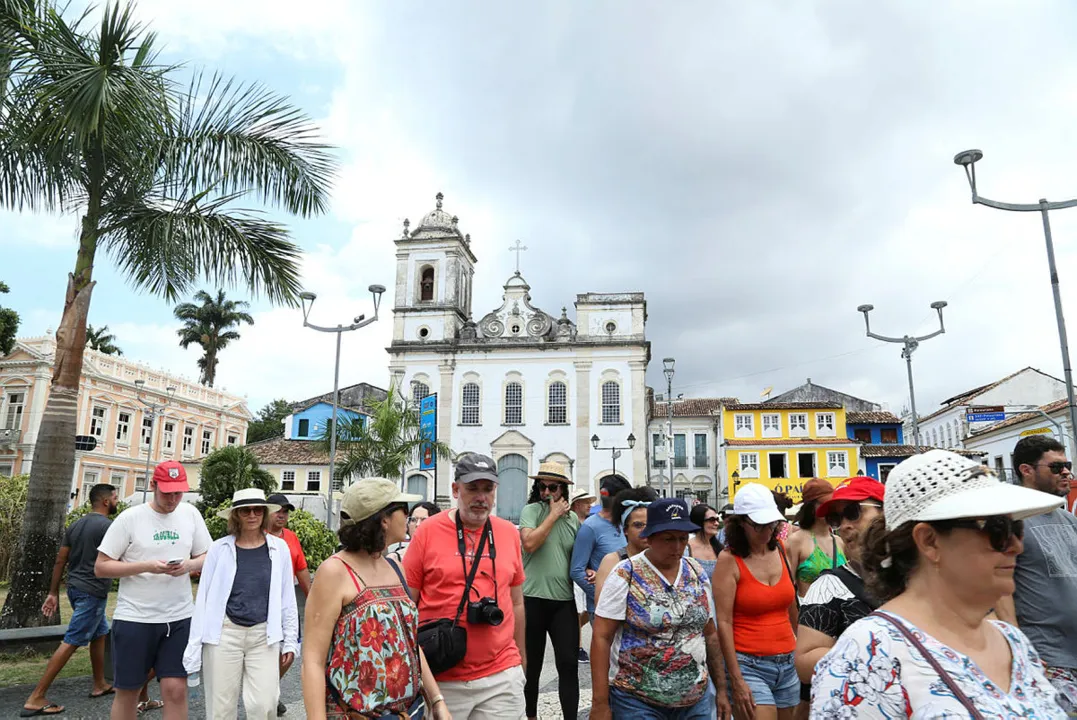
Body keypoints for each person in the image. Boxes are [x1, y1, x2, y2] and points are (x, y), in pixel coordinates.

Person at [811, 449, 1066, 718]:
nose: (1016, 545)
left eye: (1016, 528)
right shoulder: (869, 653)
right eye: (997, 529)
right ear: (929, 541)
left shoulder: (1012, 641)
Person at [301, 478, 448, 720]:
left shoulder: (394, 566)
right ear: (384, 519)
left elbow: (409, 642)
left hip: (407, 713)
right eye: (404, 510)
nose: (409, 517)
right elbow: (313, 660)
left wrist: (437, 699)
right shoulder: (335, 571)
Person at [403, 453, 527, 719]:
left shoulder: (508, 533)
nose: (481, 497)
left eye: (488, 489)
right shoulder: (427, 532)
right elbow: (405, 605)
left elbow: (516, 601)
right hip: (443, 677)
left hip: (501, 676)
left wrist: (521, 661)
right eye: (472, 488)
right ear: (455, 489)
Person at [591, 498, 731, 720]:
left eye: (682, 539)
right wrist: (599, 703)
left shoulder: (695, 572)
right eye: (668, 539)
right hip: (637, 700)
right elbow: (601, 637)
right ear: (650, 538)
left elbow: (710, 635)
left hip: (695, 699)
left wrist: (722, 690)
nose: (677, 547)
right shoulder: (626, 573)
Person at [95, 461, 212, 720]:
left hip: (179, 617)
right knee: (128, 691)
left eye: (178, 493)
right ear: (153, 486)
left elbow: (208, 555)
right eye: (166, 492)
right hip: (137, 618)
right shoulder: (130, 518)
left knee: (176, 689)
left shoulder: (190, 514)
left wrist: (189, 565)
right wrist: (147, 566)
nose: (172, 499)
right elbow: (101, 567)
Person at [183, 489, 298, 719]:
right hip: (225, 633)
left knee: (264, 705)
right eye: (246, 510)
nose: (252, 515)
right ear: (236, 515)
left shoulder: (279, 549)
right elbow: (204, 598)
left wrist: (290, 640)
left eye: (257, 510)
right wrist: (194, 648)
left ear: (265, 514)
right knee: (221, 707)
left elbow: (287, 597)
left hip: (264, 634)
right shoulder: (219, 549)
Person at [22, 484, 118, 717]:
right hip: (92, 591)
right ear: (106, 501)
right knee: (72, 641)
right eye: (115, 497)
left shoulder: (75, 525)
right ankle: (36, 697)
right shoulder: (109, 527)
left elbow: (60, 560)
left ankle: (99, 684)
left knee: (99, 633)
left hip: (75, 589)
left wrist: (53, 592)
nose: (117, 501)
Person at [997, 435, 1077, 714]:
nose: (1066, 471)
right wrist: (1018, 647)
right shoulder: (1010, 521)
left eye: (1066, 465)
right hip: (1047, 658)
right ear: (1026, 470)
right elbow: (1000, 589)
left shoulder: (1069, 520)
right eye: (1055, 467)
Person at [714, 483, 799, 720]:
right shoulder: (729, 560)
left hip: (787, 660)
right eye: (759, 526)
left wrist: (800, 646)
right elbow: (723, 621)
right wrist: (736, 678)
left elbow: (791, 605)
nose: (767, 532)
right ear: (741, 523)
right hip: (748, 662)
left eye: (772, 524)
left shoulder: (781, 549)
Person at [793, 477, 884, 688]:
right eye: (836, 519)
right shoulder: (827, 587)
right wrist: (873, 655)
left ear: (885, 511)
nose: (843, 526)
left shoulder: (918, 574)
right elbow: (805, 665)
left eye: (853, 512)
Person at [518, 461, 579, 720]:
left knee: (568, 664)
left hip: (563, 600)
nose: (546, 493)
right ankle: (530, 715)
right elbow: (530, 543)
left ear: (562, 489)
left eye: (552, 488)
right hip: (531, 598)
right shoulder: (531, 511)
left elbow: (577, 557)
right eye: (541, 487)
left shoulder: (574, 519)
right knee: (531, 667)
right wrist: (553, 515)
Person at [265, 493, 310, 717]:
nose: (282, 515)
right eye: (277, 510)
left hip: (286, 603)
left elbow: (301, 568)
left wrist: (311, 598)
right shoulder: (256, 536)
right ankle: (266, 694)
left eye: (285, 511)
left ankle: (269, 690)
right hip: (262, 604)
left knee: (289, 652)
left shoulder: (291, 537)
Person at [570, 475, 631, 620]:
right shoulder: (590, 527)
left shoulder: (627, 522)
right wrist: (604, 596)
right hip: (603, 610)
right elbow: (577, 570)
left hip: (630, 606)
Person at [593, 485, 658, 602]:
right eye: (638, 525)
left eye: (649, 525)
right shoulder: (612, 561)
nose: (645, 530)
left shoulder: (662, 559)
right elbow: (602, 606)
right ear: (625, 530)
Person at [786, 479, 845, 599]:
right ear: (811, 508)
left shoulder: (839, 541)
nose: (831, 509)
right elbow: (787, 589)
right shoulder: (796, 541)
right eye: (825, 504)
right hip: (808, 613)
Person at [568, 488, 596, 663]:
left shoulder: (588, 523)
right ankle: (577, 647)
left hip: (586, 570)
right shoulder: (571, 522)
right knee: (579, 610)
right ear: (577, 504)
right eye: (586, 502)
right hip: (576, 571)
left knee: (584, 611)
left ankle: (572, 635)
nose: (590, 505)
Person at [687, 504, 722, 578]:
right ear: (699, 522)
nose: (716, 523)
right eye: (712, 520)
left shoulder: (720, 548)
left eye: (717, 519)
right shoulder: (686, 549)